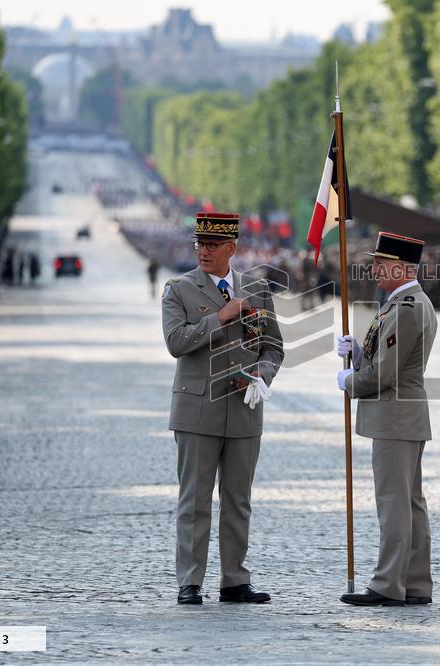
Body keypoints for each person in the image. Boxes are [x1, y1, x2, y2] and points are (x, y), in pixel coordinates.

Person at [161, 211, 284, 605]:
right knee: (194, 500)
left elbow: (273, 346)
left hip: (244, 409)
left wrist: (263, 376)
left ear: (232, 248)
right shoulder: (179, 289)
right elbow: (176, 342)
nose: (203, 252)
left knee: (238, 500)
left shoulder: (257, 289)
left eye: (212, 246)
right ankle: (190, 581)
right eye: (200, 244)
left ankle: (234, 579)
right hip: (198, 412)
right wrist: (220, 317)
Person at [335, 231, 437, 607]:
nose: (374, 269)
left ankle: (387, 584)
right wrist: (360, 353)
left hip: (396, 416)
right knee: (409, 502)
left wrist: (350, 381)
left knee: (394, 502)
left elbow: (385, 375)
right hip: (404, 415)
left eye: (381, 263)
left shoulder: (406, 307)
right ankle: (415, 583)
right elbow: (386, 361)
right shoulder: (404, 303)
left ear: (402, 267)